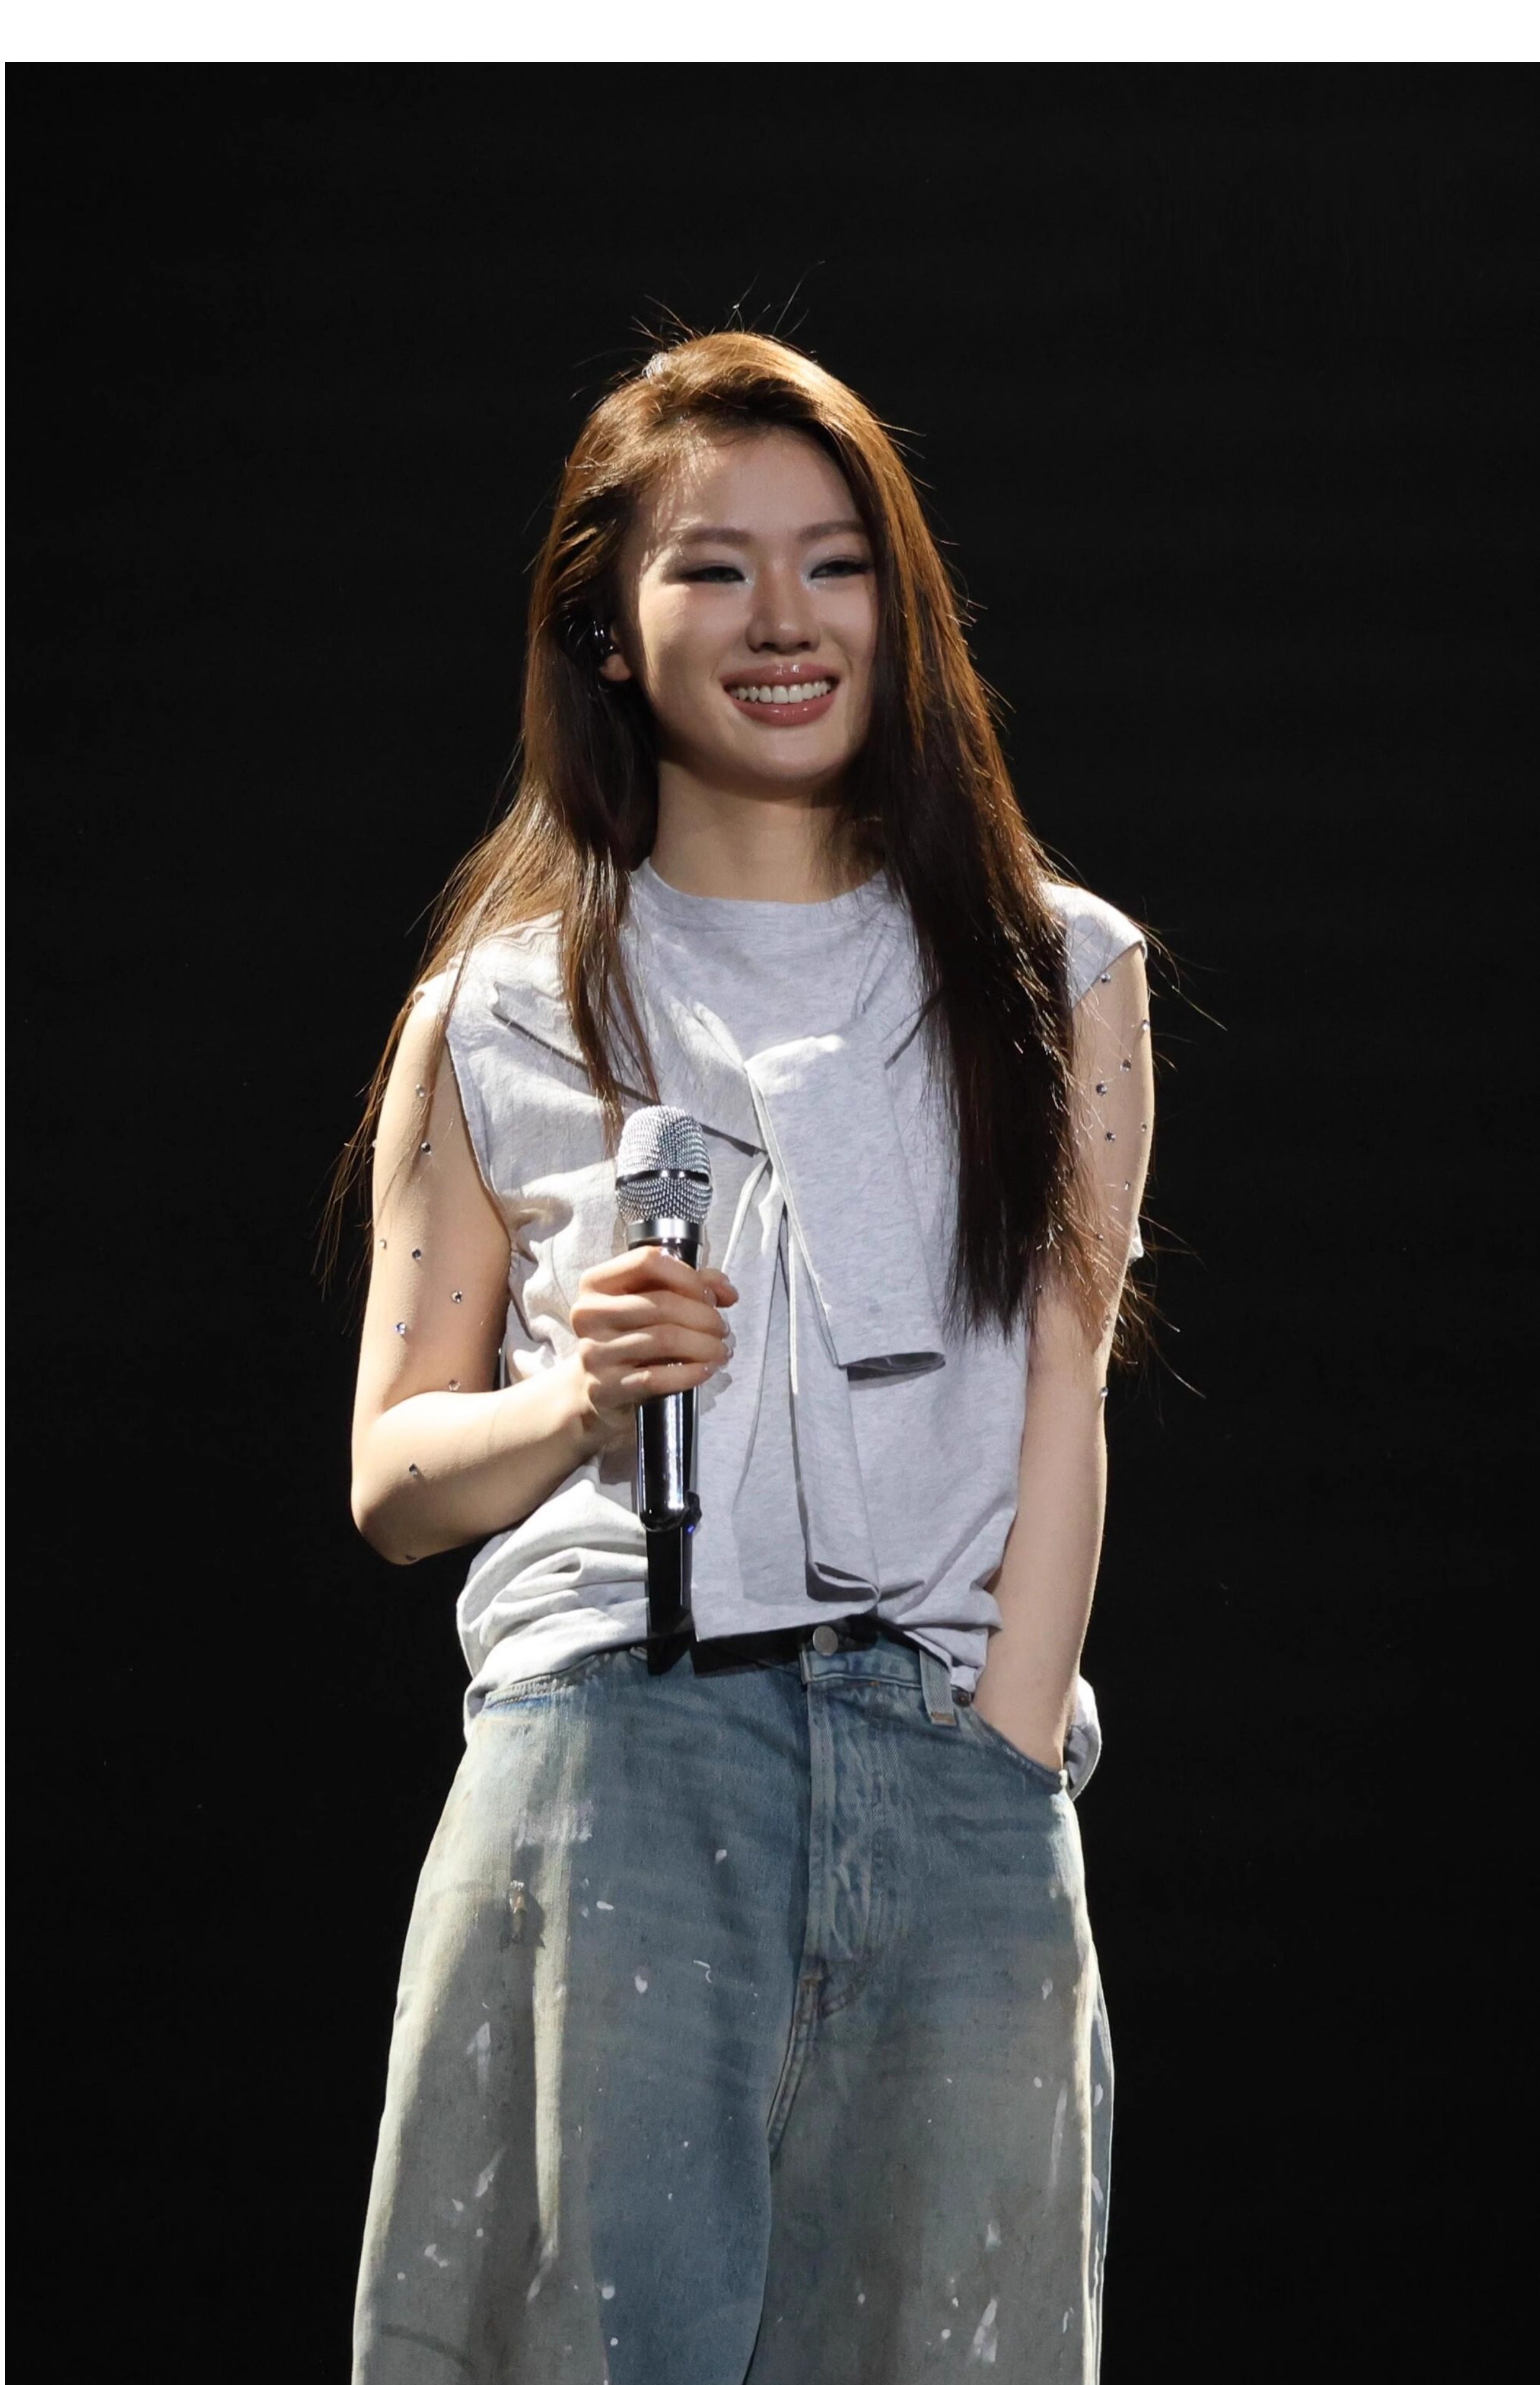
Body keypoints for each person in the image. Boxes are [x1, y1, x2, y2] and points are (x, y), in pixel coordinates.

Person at [334, 330, 1156, 2384]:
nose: (785, 620)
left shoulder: (1057, 970)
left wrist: (1003, 1750)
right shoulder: (502, 1007)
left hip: (958, 1762)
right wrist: (579, 1397)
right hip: (619, 1760)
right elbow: (392, 1482)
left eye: (835, 563)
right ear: (609, 632)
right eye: (714, 568)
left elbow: (1064, 1383)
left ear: (900, 605)